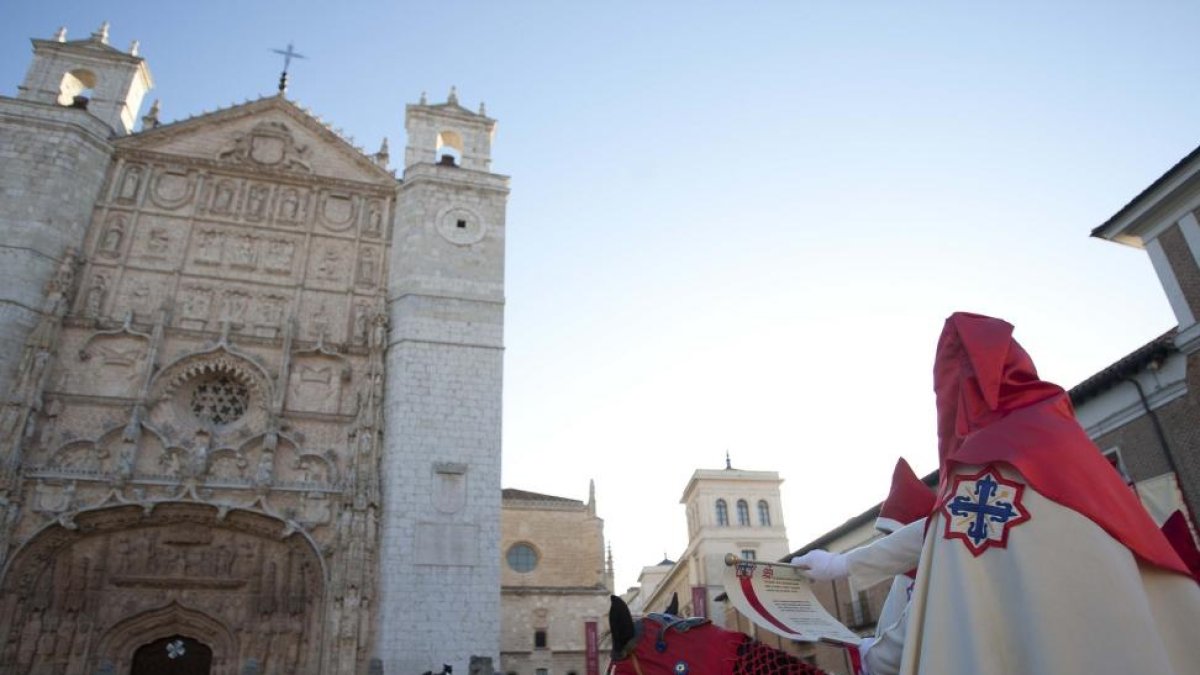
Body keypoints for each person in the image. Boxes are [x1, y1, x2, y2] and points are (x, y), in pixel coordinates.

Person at [792, 458, 933, 675]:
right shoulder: (903, 578)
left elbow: (916, 634)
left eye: (891, 536)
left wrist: (871, 655)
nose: (887, 542)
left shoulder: (938, 575)